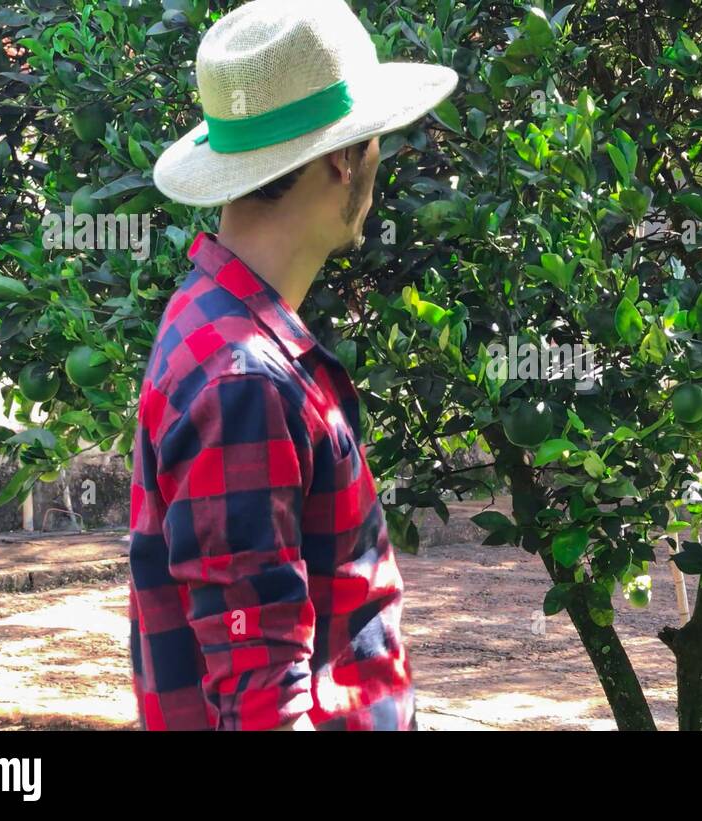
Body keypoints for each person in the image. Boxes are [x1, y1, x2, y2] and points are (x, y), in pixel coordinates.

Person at [128, 0, 457, 730]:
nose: (379, 160)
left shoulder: (218, 326)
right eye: (374, 141)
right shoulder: (244, 380)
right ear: (343, 158)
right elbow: (263, 702)